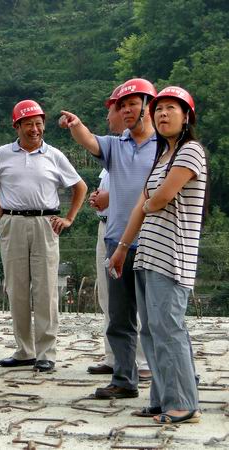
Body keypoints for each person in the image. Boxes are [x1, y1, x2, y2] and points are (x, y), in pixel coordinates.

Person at [109, 86, 206, 424]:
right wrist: (122, 248)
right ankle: (162, 399)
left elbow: (160, 198)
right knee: (150, 331)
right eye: (159, 109)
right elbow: (142, 204)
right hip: (147, 254)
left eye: (171, 109)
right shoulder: (162, 156)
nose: (163, 114)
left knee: (169, 329)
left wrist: (150, 204)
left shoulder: (190, 151)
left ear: (186, 116)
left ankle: (183, 404)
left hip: (172, 257)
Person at [0, 100, 87, 373]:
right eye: (28, 124)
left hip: (46, 223)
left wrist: (69, 218)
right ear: (17, 126)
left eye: (38, 123)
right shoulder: (2, 154)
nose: (35, 129)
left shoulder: (54, 155)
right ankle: (24, 351)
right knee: (17, 288)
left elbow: (80, 186)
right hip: (12, 223)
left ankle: (46, 352)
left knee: (46, 289)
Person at [59, 78, 157, 399]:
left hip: (155, 242)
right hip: (117, 242)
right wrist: (76, 125)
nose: (126, 110)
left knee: (157, 316)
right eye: (122, 105)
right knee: (120, 317)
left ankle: (167, 380)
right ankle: (124, 379)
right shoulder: (116, 146)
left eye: (132, 104)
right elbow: (90, 141)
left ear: (148, 106)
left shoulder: (166, 146)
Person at [87, 85, 149, 379]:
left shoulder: (153, 147)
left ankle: (144, 362)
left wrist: (108, 198)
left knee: (142, 304)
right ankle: (117, 361)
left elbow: (139, 192)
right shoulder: (114, 148)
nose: (118, 113)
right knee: (112, 302)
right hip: (109, 231)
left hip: (139, 234)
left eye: (126, 106)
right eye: (119, 107)